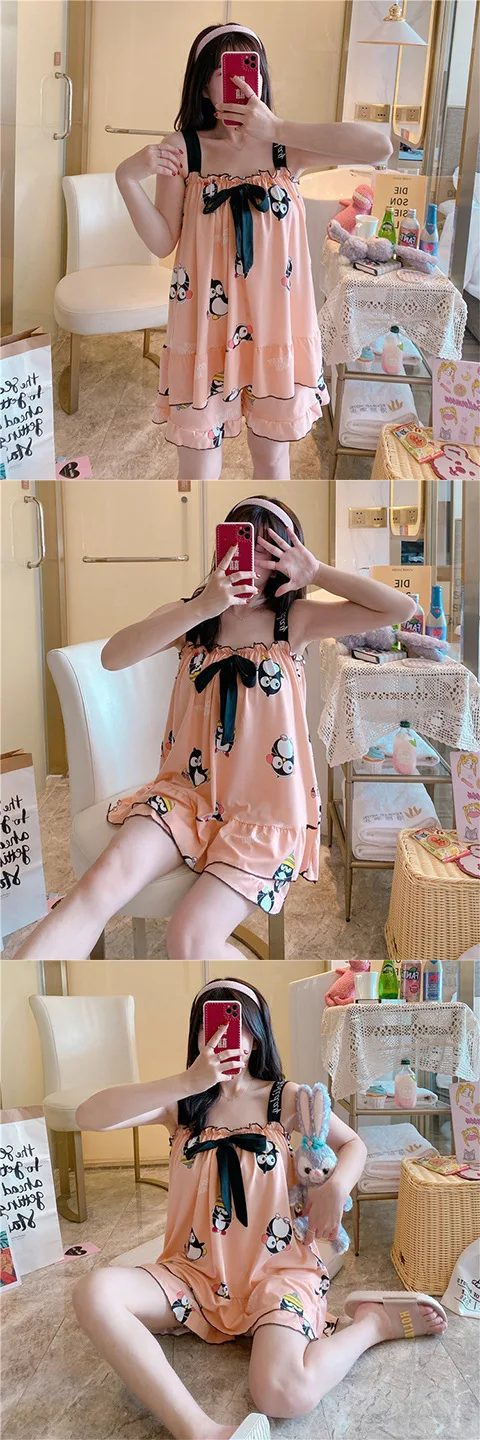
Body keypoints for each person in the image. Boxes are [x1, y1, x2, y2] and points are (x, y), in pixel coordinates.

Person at [15, 495, 417, 962]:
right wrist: (203, 606)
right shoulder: (193, 618)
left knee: (190, 938)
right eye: (240, 544)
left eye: (268, 551)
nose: (251, 562)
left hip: (264, 814)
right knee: (95, 890)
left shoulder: (294, 622)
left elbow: (400, 609)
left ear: (287, 558)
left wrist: (319, 572)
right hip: (184, 798)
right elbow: (113, 657)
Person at [72, 976, 448, 1440]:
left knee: (282, 1394)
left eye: (239, 1022)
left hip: (276, 1272)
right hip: (192, 1275)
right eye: (212, 1022)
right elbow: (87, 1115)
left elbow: (353, 1145)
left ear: (257, 1034)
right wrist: (188, 1081)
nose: (227, 1035)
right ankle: (202, 1432)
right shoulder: (180, 1105)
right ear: (197, 1034)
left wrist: (335, 1189)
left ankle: (373, 1323)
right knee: (94, 1292)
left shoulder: (283, 1098)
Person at [115, 21, 392, 481]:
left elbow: (379, 147)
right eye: (225, 72)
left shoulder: (286, 148)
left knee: (272, 462)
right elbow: (162, 241)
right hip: (204, 333)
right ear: (204, 86)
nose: (242, 82)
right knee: (197, 470)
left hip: (274, 333)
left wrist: (276, 126)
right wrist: (126, 178)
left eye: (251, 68)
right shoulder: (184, 150)